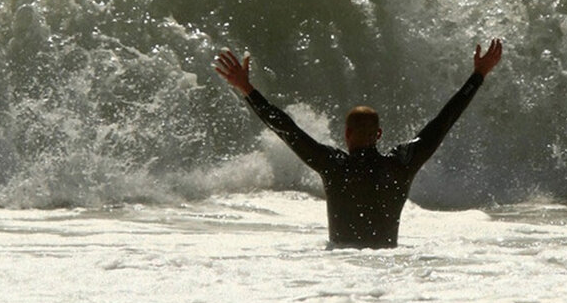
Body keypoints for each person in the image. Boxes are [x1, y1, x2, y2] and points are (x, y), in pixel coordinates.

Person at [214, 39, 503, 248]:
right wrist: (478, 76)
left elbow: (286, 128)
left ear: (347, 134)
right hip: (386, 273)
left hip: (343, 277)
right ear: (378, 135)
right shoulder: (401, 165)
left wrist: (247, 89)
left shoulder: (333, 166)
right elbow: (444, 120)